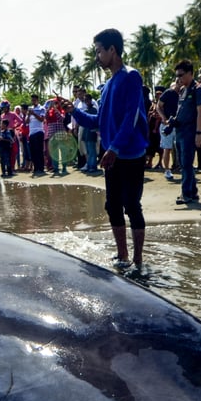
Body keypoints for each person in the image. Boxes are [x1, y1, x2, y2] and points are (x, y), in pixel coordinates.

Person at [69, 28, 149, 271]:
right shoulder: (106, 86)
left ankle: (138, 260)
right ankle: (122, 256)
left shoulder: (131, 76)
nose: (97, 57)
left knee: (131, 205)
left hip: (130, 153)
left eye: (99, 51)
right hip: (111, 156)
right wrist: (72, 111)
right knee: (112, 206)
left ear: (112, 50)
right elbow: (97, 121)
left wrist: (113, 148)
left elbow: (131, 117)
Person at [173, 59, 201, 203]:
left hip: (190, 130)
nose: (179, 78)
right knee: (182, 162)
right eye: (177, 76)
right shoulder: (182, 90)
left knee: (186, 163)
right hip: (179, 130)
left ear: (190, 73)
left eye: (181, 75)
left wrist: (198, 133)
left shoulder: (197, 89)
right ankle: (192, 191)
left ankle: (186, 193)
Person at [157, 83, 179, 180]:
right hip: (167, 125)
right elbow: (158, 106)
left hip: (179, 125)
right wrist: (164, 118)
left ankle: (180, 167)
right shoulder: (168, 93)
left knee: (180, 148)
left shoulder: (185, 93)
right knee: (167, 148)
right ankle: (167, 170)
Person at [27, 94, 46, 175]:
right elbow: (26, 122)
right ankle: (36, 167)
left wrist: (34, 113)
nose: (33, 101)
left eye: (34, 100)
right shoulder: (30, 109)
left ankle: (41, 168)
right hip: (31, 132)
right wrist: (28, 114)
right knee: (33, 151)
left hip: (39, 131)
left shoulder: (41, 108)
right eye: (32, 100)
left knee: (39, 150)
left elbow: (42, 119)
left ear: (37, 100)